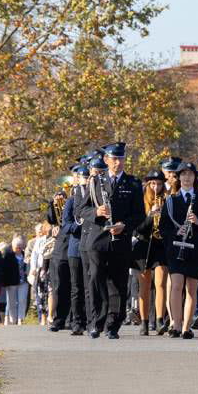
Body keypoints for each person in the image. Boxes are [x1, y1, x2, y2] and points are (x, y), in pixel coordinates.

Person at [79, 142, 145, 339]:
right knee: (95, 277)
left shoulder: (133, 184)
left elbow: (139, 215)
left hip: (121, 239)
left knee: (118, 282)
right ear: (106, 160)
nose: (118, 162)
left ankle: (113, 324)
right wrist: (96, 212)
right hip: (98, 238)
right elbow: (80, 210)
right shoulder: (95, 182)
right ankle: (95, 322)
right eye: (114, 159)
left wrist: (125, 224)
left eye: (121, 158)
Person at [159, 162, 198, 339]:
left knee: (191, 289)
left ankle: (186, 326)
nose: (187, 177)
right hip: (175, 248)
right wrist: (176, 231)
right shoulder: (171, 200)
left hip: (196, 248)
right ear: (178, 177)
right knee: (176, 286)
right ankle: (175, 324)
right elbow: (163, 227)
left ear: (195, 177)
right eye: (183, 174)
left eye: (190, 174)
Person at [133, 169, 169, 336]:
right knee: (144, 286)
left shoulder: (167, 200)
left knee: (160, 283)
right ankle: (145, 322)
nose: (156, 187)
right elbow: (138, 228)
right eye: (153, 183)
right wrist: (150, 216)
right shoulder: (140, 201)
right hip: (144, 244)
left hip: (160, 244)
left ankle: (160, 319)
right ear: (148, 184)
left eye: (159, 184)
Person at [64, 164, 89, 335]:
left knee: (90, 286)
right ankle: (77, 321)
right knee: (76, 287)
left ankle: (90, 320)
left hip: (91, 247)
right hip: (75, 248)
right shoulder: (71, 201)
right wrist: (79, 227)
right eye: (83, 177)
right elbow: (65, 225)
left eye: (88, 177)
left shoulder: (94, 199)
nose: (85, 180)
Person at [47, 180, 73, 332]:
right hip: (62, 247)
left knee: (77, 285)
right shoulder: (63, 197)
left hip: (77, 242)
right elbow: (52, 219)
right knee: (60, 284)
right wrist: (54, 203)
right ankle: (60, 318)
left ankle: (75, 317)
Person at [2, 237, 29, 325]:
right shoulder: (8, 255)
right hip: (12, 281)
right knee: (11, 301)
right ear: (13, 247)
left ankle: (20, 318)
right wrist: (5, 282)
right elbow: (5, 269)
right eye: (17, 247)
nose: (18, 248)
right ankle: (12, 319)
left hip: (23, 281)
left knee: (22, 300)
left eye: (20, 246)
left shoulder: (25, 255)